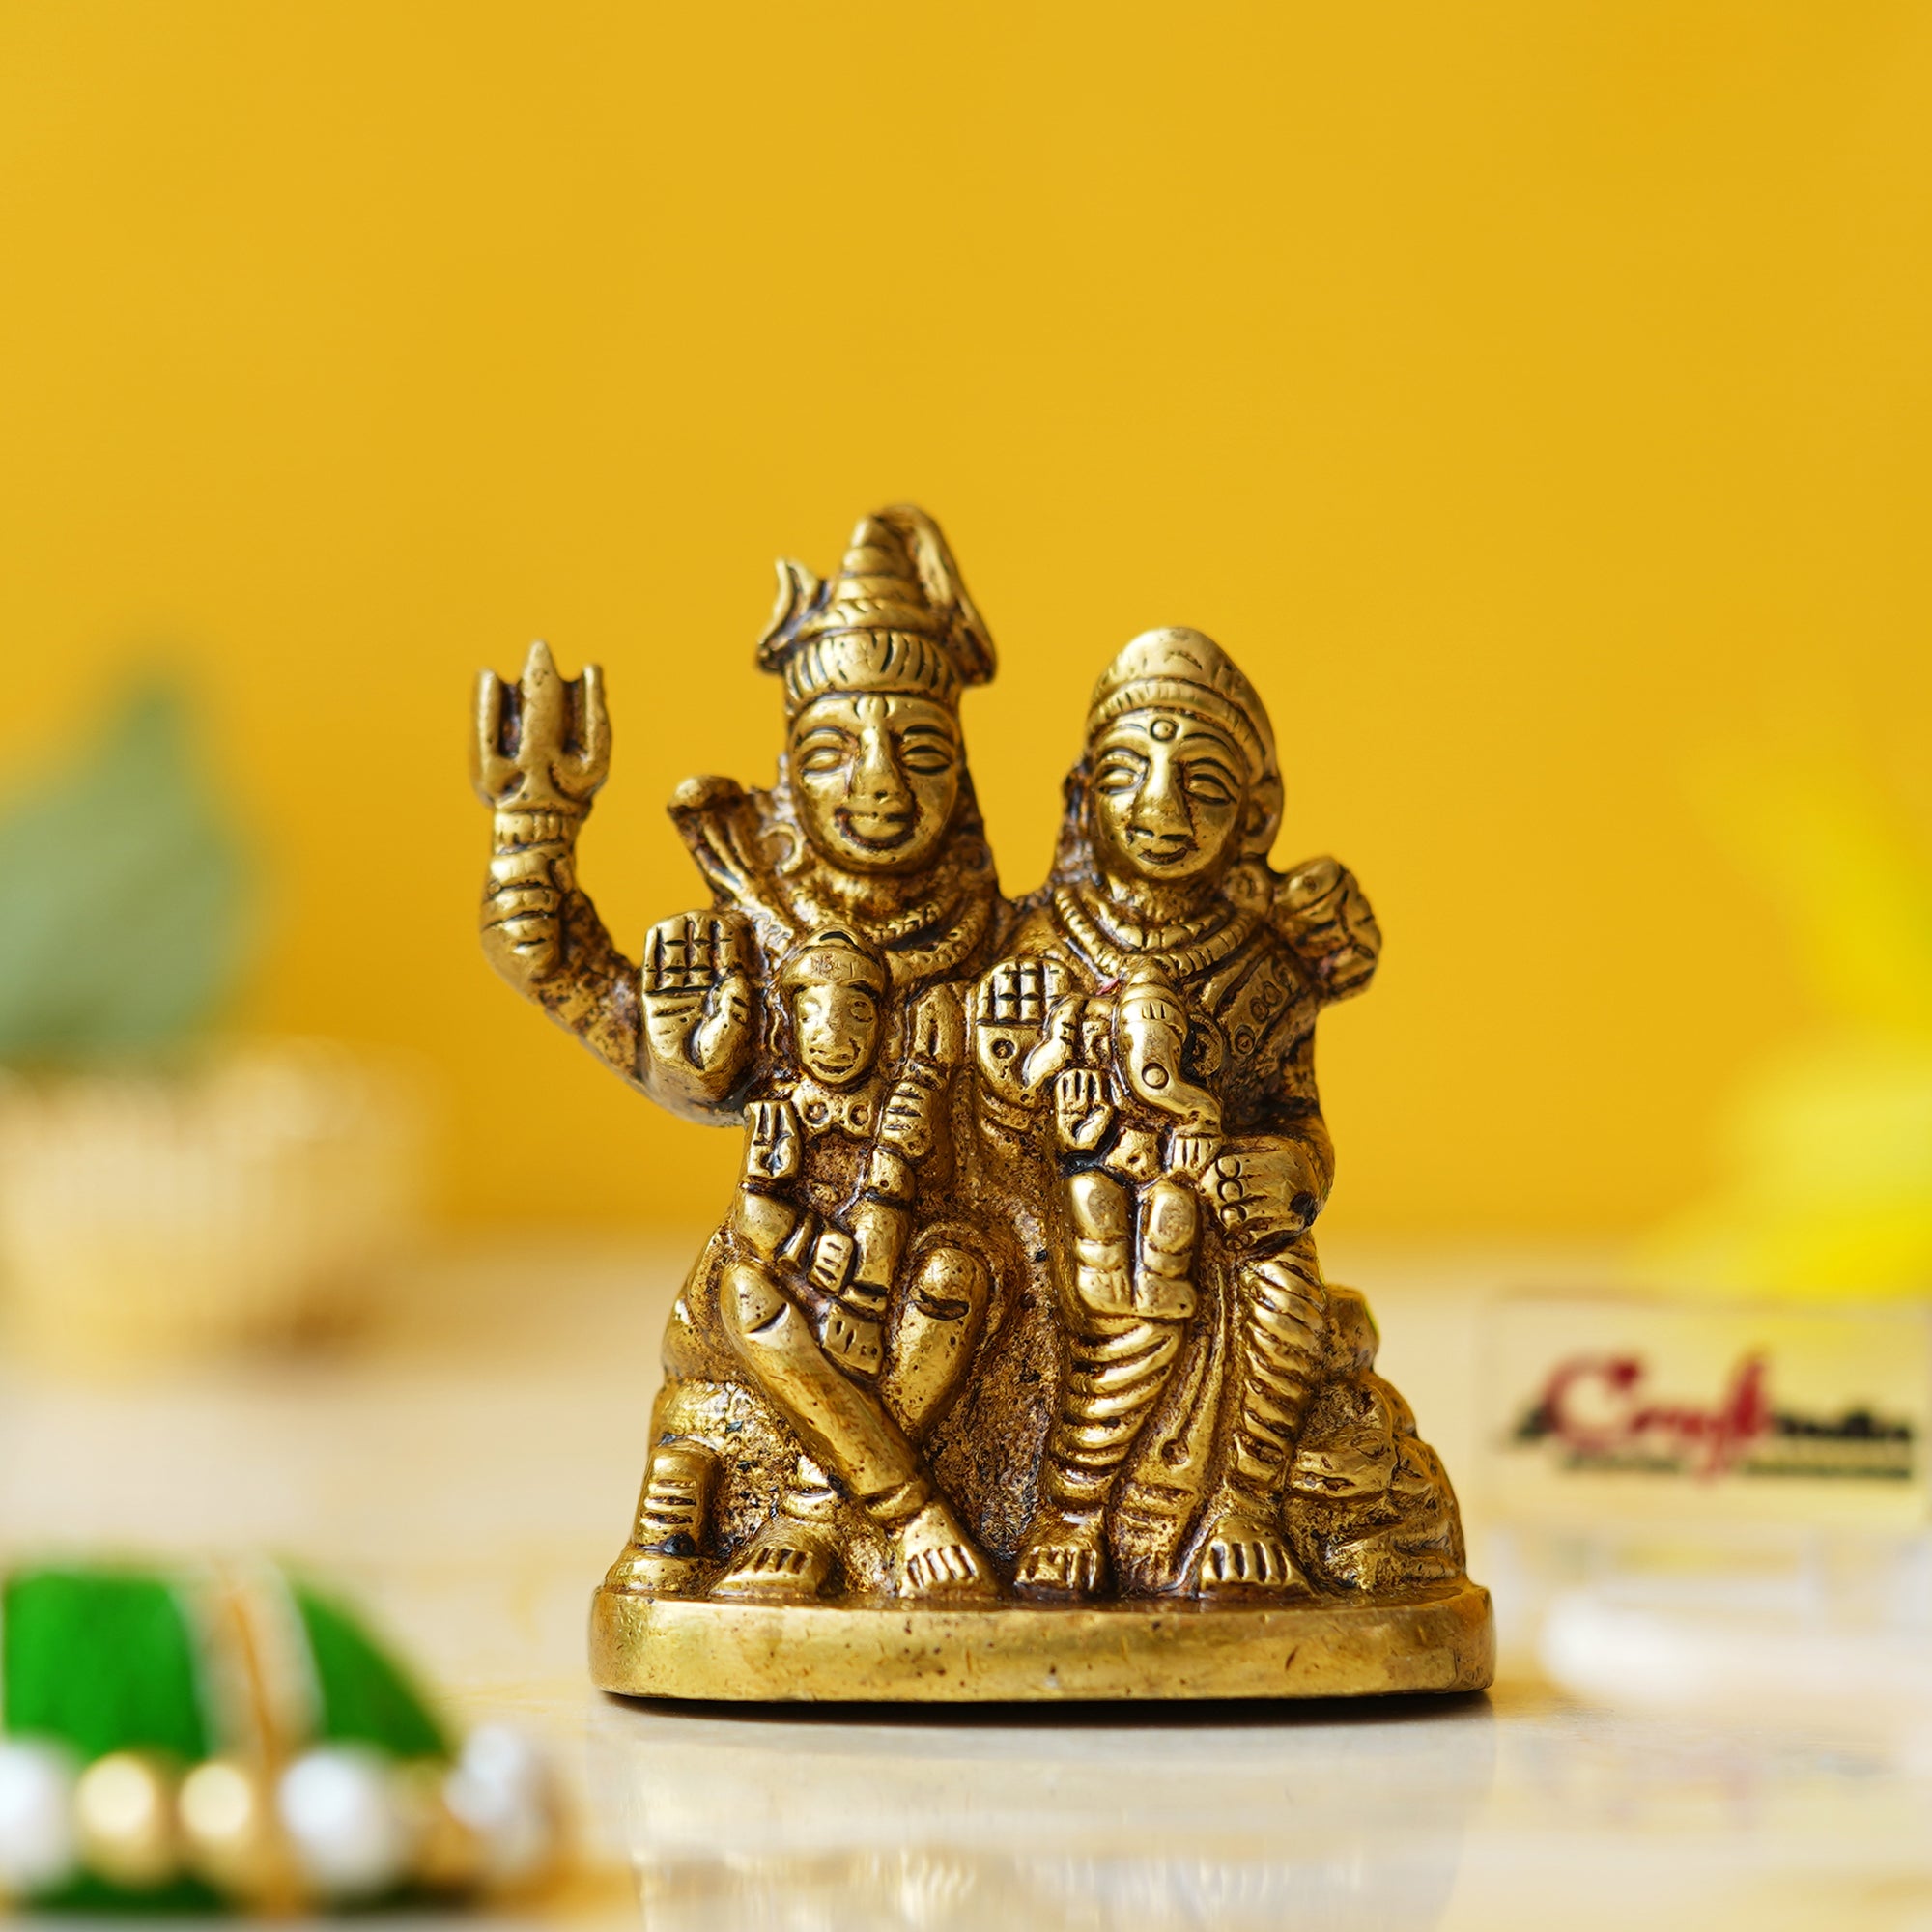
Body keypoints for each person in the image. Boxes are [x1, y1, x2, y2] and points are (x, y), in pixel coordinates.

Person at [473, 506, 1010, 1601]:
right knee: (753, 1310)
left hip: (948, 1283)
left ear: (960, 770)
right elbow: (588, 989)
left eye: (918, 750)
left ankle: (820, 1511)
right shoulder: (752, 940)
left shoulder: (1004, 943)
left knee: (959, 1284)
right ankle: (885, 1511)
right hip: (781, 1273)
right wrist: (533, 835)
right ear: (787, 769)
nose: (878, 781)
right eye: (832, 751)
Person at [972, 628, 1382, 1598]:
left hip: (1212, 1204)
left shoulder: (1266, 968)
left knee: (1282, 1286)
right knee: (1100, 1290)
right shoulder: (1037, 942)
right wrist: (1029, 1108)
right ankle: (1069, 1510)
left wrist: (1287, 1172)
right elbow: (987, 1119)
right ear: (1083, 796)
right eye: (1128, 773)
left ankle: (1241, 1503)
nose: (1161, 807)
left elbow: (1297, 1115)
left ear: (1256, 816)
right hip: (1078, 1205)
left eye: (1203, 783)